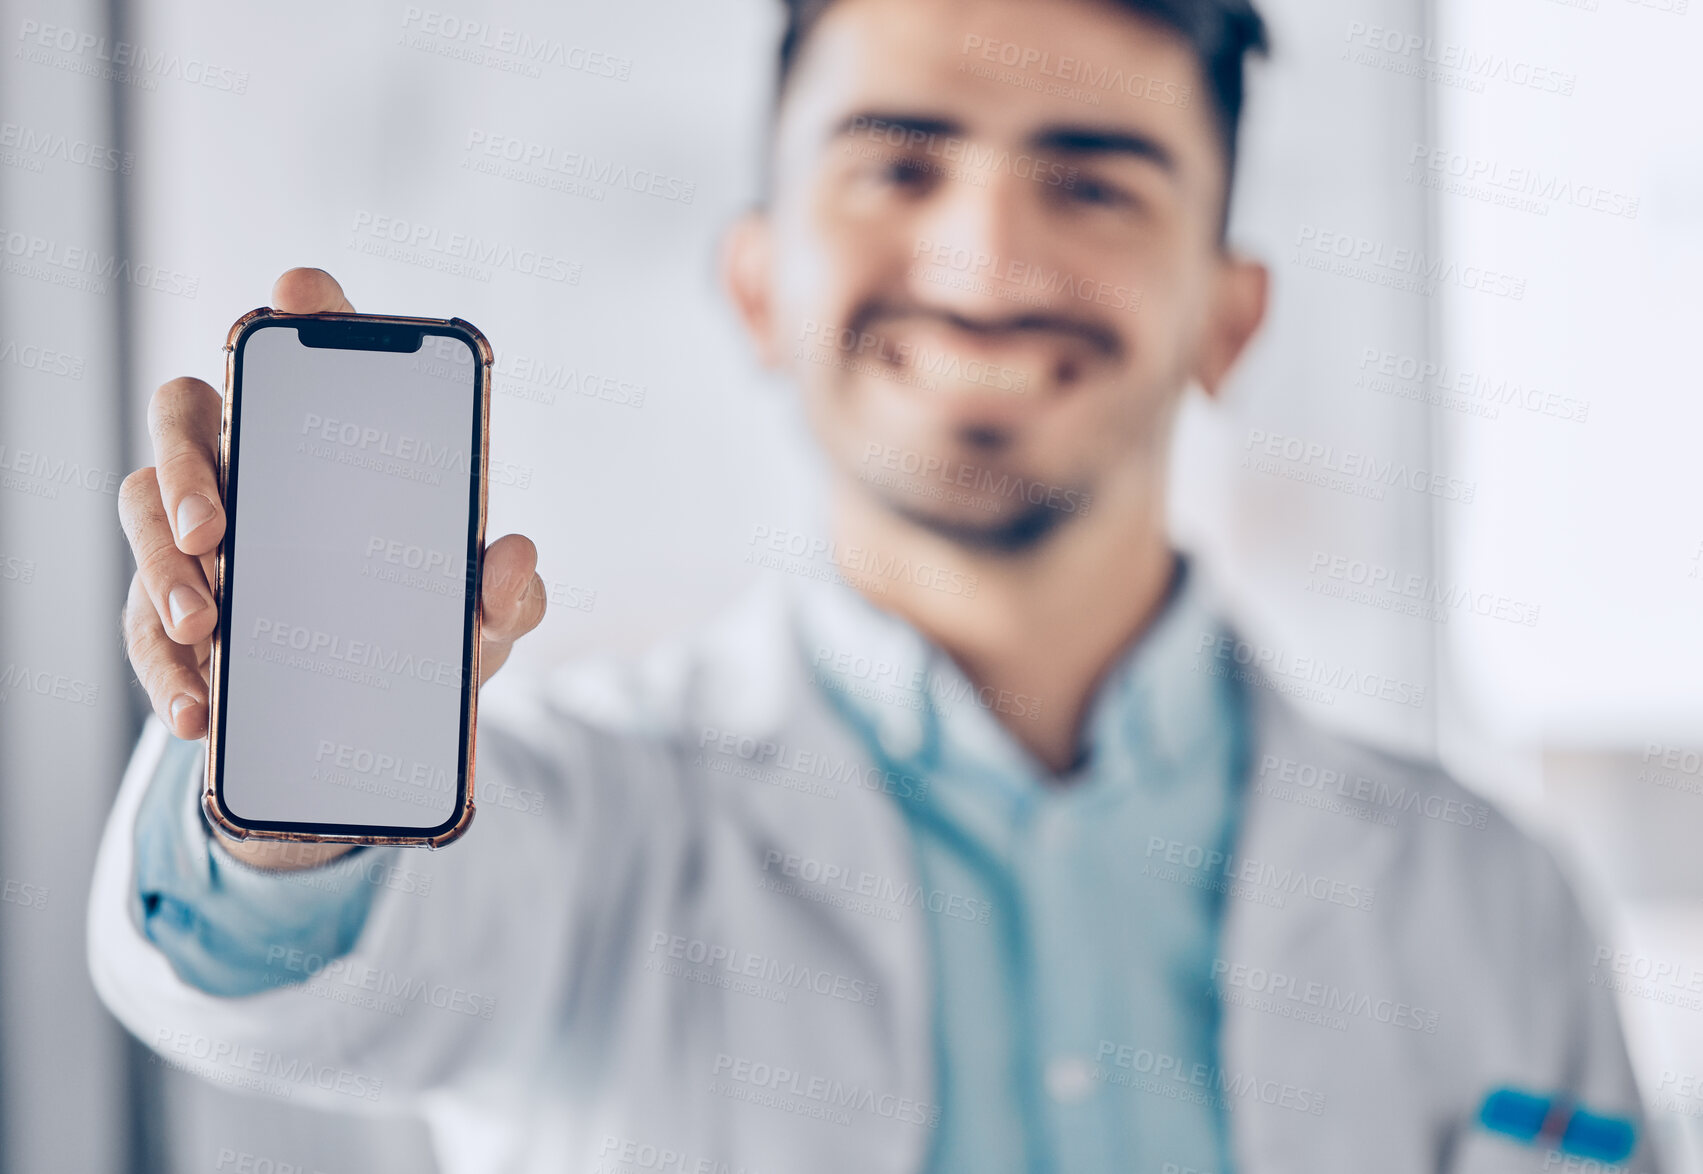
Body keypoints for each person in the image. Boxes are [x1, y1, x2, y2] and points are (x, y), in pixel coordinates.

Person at [89, 0, 1658, 1170]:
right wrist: (286, 809)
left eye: (1095, 182)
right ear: (761, 286)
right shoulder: (581, 829)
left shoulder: (1495, 899)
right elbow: (278, 982)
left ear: (1228, 316)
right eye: (900, 167)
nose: (982, 248)